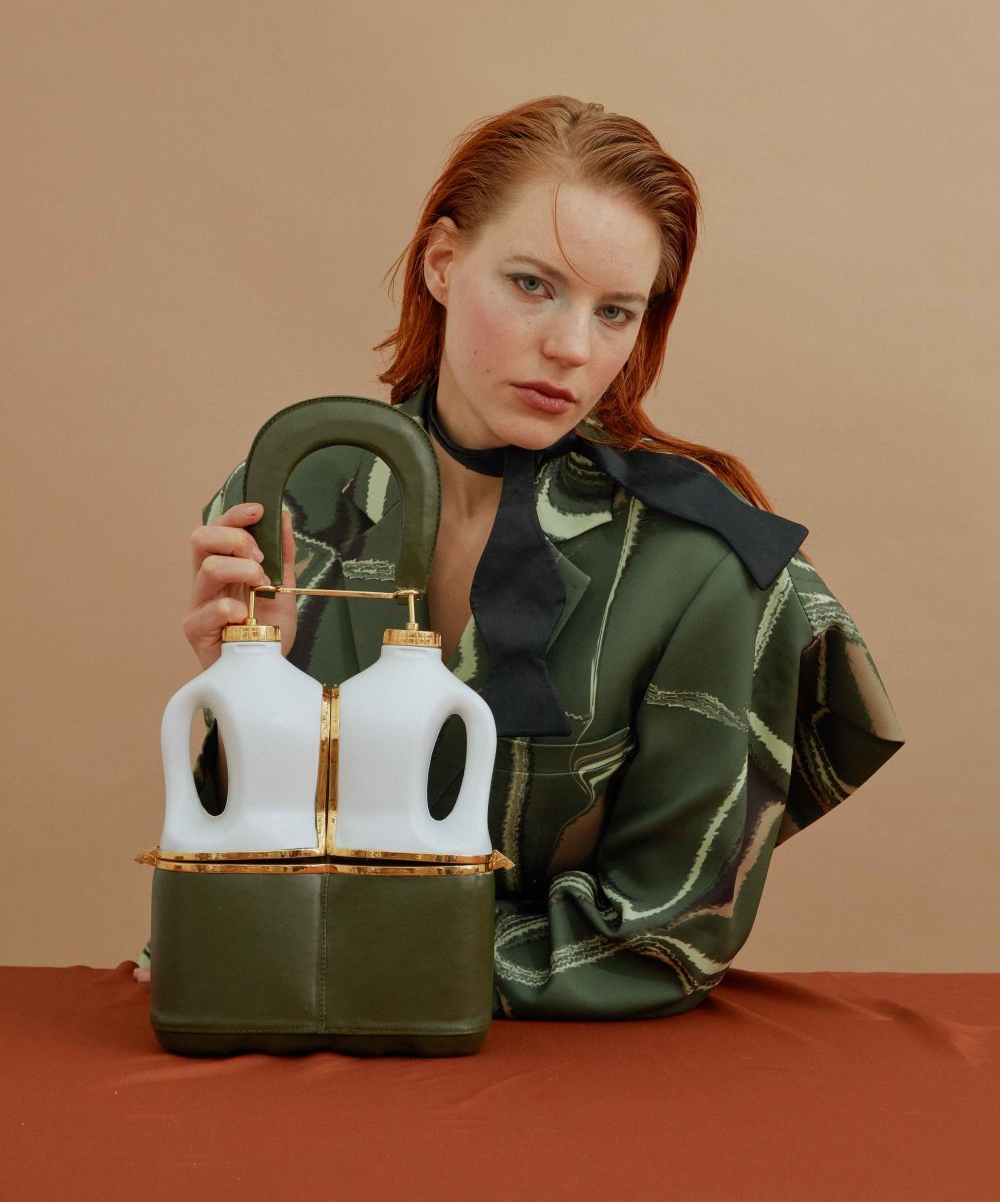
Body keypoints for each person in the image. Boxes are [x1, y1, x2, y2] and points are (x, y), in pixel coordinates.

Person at [136, 95, 906, 1019]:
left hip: (559, 1079)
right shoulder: (294, 493)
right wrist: (249, 694)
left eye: (615, 311)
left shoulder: (702, 563)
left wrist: (376, 954)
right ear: (443, 263)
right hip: (287, 1041)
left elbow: (662, 930)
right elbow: (250, 863)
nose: (571, 349)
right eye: (534, 284)